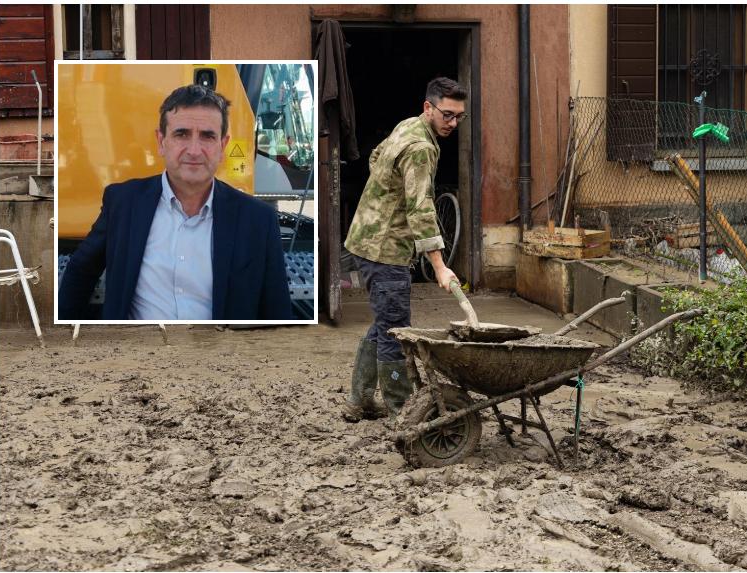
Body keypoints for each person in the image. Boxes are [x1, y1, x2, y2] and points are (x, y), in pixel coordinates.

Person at [59, 84, 293, 321]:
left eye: (207, 136)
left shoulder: (258, 220)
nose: (194, 150)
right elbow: (81, 270)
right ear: (161, 142)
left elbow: (277, 311)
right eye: (181, 134)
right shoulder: (122, 203)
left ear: (223, 146)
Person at [341, 77, 466, 422]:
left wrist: (384, 196)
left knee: (384, 321)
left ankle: (360, 400)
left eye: (458, 117)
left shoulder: (409, 125)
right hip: (386, 249)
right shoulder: (421, 148)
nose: (453, 123)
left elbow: (377, 156)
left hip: (365, 238)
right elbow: (421, 208)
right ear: (429, 108)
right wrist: (439, 266)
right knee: (396, 329)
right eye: (447, 115)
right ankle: (402, 410)